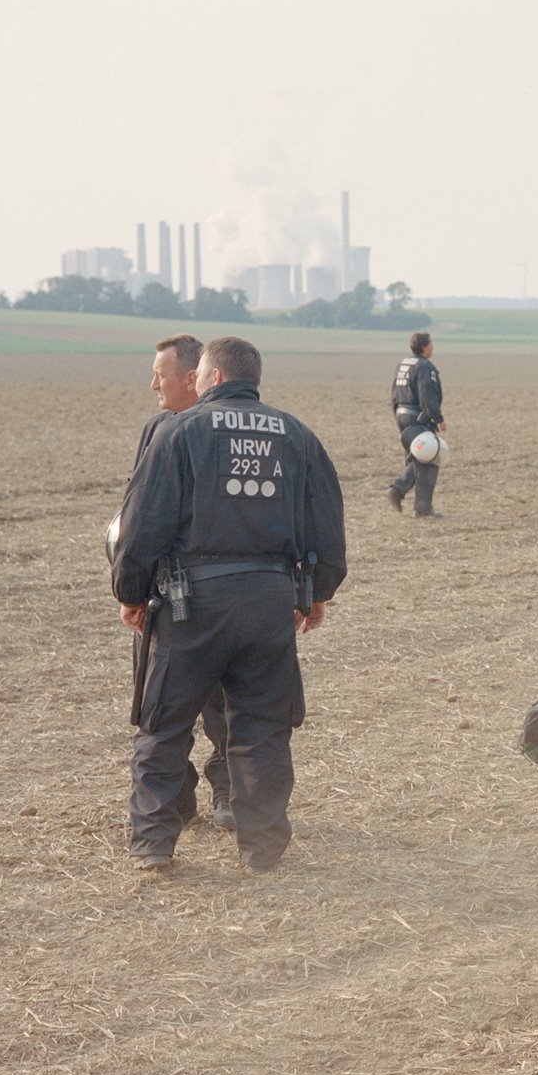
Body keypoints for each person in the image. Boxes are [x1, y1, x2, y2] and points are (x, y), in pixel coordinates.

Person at [112, 336, 347, 875]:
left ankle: (153, 844)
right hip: (270, 602)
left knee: (165, 724)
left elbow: (143, 522)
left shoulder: (178, 432)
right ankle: (261, 851)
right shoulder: (297, 435)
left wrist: (130, 591)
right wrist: (317, 592)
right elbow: (327, 524)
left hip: (191, 603)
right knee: (263, 728)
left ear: (213, 378)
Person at [125, 334, 233, 830]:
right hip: (163, 597)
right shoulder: (157, 429)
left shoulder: (227, 432)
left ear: (193, 377)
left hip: (215, 595)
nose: (153, 385)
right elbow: (140, 513)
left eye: (161, 375)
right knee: (161, 710)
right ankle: (179, 799)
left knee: (224, 706)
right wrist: (135, 588)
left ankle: (229, 795)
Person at [386, 331, 445, 518]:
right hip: (418, 417)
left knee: (416, 457)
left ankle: (420, 505)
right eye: (431, 344)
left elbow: (394, 392)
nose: (433, 348)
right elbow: (427, 394)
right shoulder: (424, 367)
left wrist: (398, 414)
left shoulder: (403, 364)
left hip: (402, 415)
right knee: (428, 456)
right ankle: (404, 494)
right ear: (423, 347)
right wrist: (438, 418)